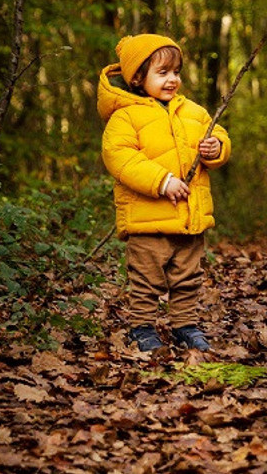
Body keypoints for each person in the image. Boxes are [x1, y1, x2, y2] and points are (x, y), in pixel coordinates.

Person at [96, 34, 231, 352]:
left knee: (188, 277)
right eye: (163, 72)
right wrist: (161, 181)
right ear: (138, 77)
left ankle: (184, 325)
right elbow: (121, 158)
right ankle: (141, 327)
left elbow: (217, 132)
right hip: (148, 220)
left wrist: (217, 148)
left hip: (188, 217)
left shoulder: (193, 112)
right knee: (146, 279)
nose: (173, 79)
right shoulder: (125, 116)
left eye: (176, 71)